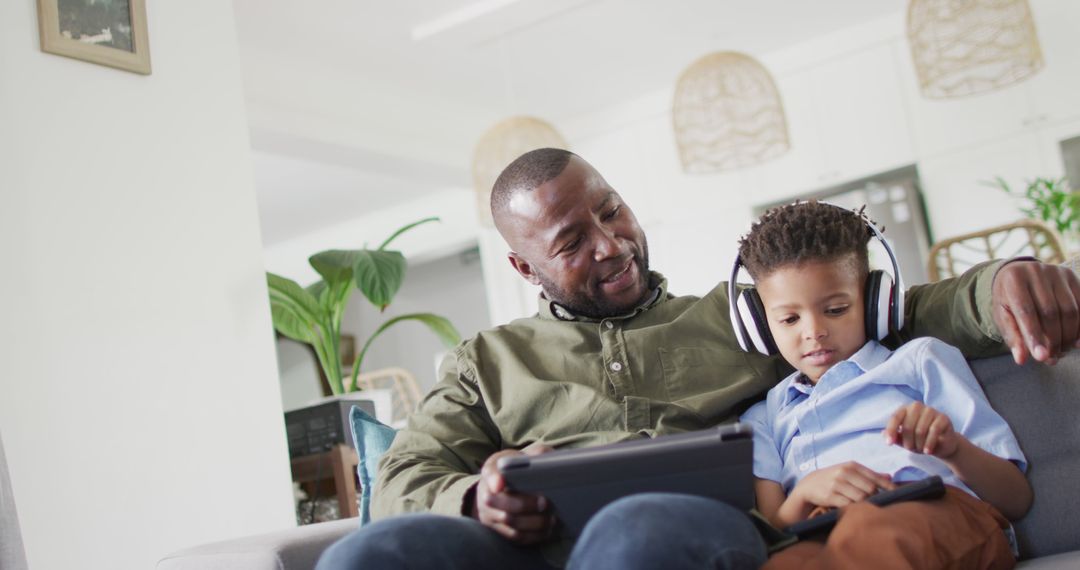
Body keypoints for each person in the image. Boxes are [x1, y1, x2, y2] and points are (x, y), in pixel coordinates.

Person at [316, 149, 1078, 570]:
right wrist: (473, 502)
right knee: (376, 555)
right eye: (572, 241)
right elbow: (405, 479)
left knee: (637, 531)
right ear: (525, 270)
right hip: (530, 553)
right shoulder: (487, 362)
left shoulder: (737, 316)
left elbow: (891, 312)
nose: (611, 243)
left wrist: (998, 284)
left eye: (610, 210)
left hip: (678, 540)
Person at [735, 201, 1030, 569]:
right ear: (761, 328)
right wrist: (805, 494)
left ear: (877, 301)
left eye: (836, 309)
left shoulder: (920, 361)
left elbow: (1016, 499)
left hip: (936, 513)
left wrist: (952, 449)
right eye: (790, 319)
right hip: (824, 530)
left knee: (868, 532)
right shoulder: (764, 418)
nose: (813, 332)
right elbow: (775, 528)